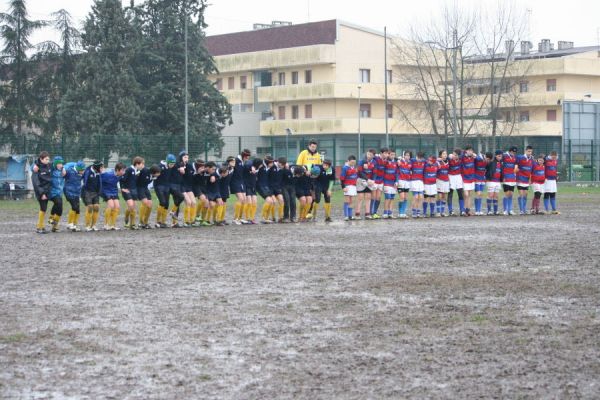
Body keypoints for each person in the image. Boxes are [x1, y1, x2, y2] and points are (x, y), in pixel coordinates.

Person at [100, 162, 126, 230]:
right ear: (117, 170)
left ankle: (113, 225)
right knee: (111, 205)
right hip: (106, 191)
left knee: (117, 206)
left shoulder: (120, 176)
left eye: (124, 170)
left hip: (114, 191)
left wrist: (122, 189)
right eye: (122, 170)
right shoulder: (107, 174)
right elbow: (99, 178)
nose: (124, 172)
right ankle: (106, 224)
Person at [121, 156, 143, 229]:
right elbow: (122, 179)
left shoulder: (137, 171)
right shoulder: (129, 170)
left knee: (133, 207)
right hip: (127, 190)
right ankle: (128, 220)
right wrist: (122, 188)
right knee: (131, 205)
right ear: (137, 164)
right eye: (141, 164)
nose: (142, 165)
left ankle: (132, 224)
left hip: (134, 190)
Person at [63, 160, 86, 232]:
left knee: (78, 209)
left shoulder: (81, 174)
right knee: (74, 206)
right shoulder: (69, 171)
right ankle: (70, 224)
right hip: (68, 191)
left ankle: (74, 225)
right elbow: (62, 174)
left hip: (77, 192)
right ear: (78, 169)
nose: (83, 172)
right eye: (82, 170)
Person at [82, 160, 104, 231]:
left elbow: (99, 183)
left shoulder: (98, 173)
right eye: (101, 168)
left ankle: (93, 225)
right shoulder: (88, 172)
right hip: (87, 192)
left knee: (96, 207)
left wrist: (99, 192)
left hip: (95, 192)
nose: (102, 169)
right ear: (97, 167)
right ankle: (87, 226)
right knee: (90, 207)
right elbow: (84, 183)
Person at [137, 164, 161, 229]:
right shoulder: (144, 171)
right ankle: (140, 222)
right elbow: (136, 174)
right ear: (154, 172)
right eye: (158, 173)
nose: (159, 174)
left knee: (150, 205)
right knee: (145, 203)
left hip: (145, 188)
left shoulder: (153, 176)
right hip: (139, 188)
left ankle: (145, 222)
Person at [231, 150, 251, 225]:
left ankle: (240, 218)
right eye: (246, 157)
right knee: (240, 199)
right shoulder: (236, 160)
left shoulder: (243, 162)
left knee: (244, 200)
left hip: (241, 182)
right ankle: (235, 219)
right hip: (235, 182)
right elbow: (228, 165)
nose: (247, 158)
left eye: (248, 157)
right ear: (243, 156)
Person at [46, 156, 66, 232]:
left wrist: (63, 168)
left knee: (60, 209)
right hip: (52, 191)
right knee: (58, 203)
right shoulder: (51, 169)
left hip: (59, 192)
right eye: (59, 164)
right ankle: (51, 219)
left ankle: (54, 226)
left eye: (61, 163)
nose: (60, 165)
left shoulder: (62, 169)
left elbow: (69, 165)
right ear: (55, 164)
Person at [153, 155, 173, 228]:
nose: (172, 165)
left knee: (167, 204)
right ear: (167, 162)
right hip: (159, 186)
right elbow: (154, 174)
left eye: (173, 164)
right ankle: (157, 221)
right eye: (171, 164)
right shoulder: (160, 166)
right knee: (162, 202)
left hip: (166, 186)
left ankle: (163, 222)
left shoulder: (171, 167)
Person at [515, 145, 534, 215]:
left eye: (531, 152)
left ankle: (524, 209)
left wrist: (530, 178)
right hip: (520, 178)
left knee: (526, 194)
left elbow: (531, 170)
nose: (530, 153)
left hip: (526, 179)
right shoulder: (520, 157)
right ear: (525, 151)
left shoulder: (532, 159)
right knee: (521, 194)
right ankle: (521, 210)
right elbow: (516, 166)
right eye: (528, 151)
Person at [356, 150, 375, 220]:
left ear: (373, 156)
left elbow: (375, 172)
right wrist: (367, 179)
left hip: (369, 181)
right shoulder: (361, 161)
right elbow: (360, 172)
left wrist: (373, 180)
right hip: (361, 180)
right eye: (368, 154)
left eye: (371, 154)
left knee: (368, 197)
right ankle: (357, 214)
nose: (369, 156)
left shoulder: (374, 162)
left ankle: (367, 213)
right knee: (360, 197)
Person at [257, 156, 276, 224]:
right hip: (260, 186)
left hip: (266, 187)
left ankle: (267, 218)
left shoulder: (269, 168)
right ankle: (263, 218)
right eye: (272, 163)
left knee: (273, 201)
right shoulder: (261, 166)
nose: (273, 164)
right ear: (268, 162)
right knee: (269, 201)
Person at [370, 148, 388, 219]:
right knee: (373, 197)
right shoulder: (376, 159)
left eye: (387, 153)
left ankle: (375, 212)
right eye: (385, 153)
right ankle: (371, 213)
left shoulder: (386, 160)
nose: (386, 155)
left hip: (381, 181)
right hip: (374, 181)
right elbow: (370, 156)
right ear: (381, 153)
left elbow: (394, 159)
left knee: (379, 197)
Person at [340, 155, 358, 221]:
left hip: (353, 186)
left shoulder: (354, 167)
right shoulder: (345, 168)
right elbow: (342, 178)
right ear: (348, 161)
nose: (353, 164)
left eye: (354, 162)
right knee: (347, 200)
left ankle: (350, 215)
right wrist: (343, 187)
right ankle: (346, 216)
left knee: (352, 201)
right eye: (352, 162)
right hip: (347, 185)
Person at [243, 158, 261, 224]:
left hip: (253, 187)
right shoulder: (248, 166)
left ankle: (252, 218)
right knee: (249, 203)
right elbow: (247, 164)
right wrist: (251, 167)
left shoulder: (257, 169)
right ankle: (246, 218)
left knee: (255, 203)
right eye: (260, 164)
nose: (260, 166)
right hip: (247, 186)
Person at [502, 146, 518, 215]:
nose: (513, 153)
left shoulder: (514, 157)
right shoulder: (504, 156)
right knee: (507, 193)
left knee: (511, 194)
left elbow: (515, 166)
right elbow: (501, 166)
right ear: (509, 151)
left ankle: (510, 209)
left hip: (512, 177)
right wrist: (502, 176)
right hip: (506, 177)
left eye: (514, 152)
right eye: (512, 152)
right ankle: (505, 209)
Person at [447, 148, 464, 216]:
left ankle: (462, 211)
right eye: (453, 154)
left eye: (455, 155)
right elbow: (443, 158)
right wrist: (449, 156)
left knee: (460, 193)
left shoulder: (461, 159)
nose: (453, 156)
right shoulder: (449, 159)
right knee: (450, 194)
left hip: (458, 177)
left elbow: (465, 153)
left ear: (458, 156)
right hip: (451, 177)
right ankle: (451, 211)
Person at [485, 151, 503, 215]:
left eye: (501, 156)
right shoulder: (491, 162)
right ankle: (489, 211)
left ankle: (495, 211)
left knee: (496, 196)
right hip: (491, 181)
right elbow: (486, 167)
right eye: (499, 156)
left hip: (497, 181)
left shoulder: (501, 163)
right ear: (495, 156)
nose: (500, 157)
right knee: (490, 195)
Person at [268, 157, 285, 223]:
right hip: (270, 187)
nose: (282, 166)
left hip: (277, 188)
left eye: (284, 165)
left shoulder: (282, 169)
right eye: (281, 164)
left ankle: (280, 217)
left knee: (281, 200)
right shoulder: (272, 166)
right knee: (274, 201)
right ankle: (273, 217)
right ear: (278, 162)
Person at [460, 145, 476, 216]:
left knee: (469, 195)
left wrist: (475, 155)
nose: (470, 152)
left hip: (471, 178)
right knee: (465, 194)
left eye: (471, 150)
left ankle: (468, 210)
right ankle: (463, 209)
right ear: (466, 151)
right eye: (469, 150)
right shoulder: (463, 157)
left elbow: (479, 158)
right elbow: (460, 155)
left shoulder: (473, 157)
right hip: (464, 178)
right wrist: (464, 152)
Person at [382, 152, 398, 219]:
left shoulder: (396, 162)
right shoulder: (385, 162)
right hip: (386, 182)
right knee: (387, 198)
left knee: (392, 198)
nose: (392, 156)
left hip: (393, 183)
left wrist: (396, 181)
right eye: (391, 154)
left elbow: (397, 172)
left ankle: (390, 213)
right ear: (388, 155)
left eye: (394, 155)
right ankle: (385, 213)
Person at [280, 158, 296, 223]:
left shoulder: (292, 168)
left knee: (293, 201)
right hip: (284, 187)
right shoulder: (281, 170)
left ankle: (293, 217)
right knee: (286, 200)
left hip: (292, 187)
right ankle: (286, 217)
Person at [410, 152, 426, 218]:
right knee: (416, 197)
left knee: (421, 197)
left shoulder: (424, 161)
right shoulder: (412, 160)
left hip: (421, 181)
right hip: (414, 181)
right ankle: (414, 211)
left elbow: (432, 161)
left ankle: (418, 211)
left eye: (421, 158)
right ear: (416, 156)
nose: (419, 159)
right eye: (418, 157)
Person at [397, 151, 412, 218]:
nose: (407, 157)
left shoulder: (410, 163)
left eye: (409, 155)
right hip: (401, 181)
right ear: (404, 156)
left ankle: (403, 212)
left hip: (407, 182)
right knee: (402, 197)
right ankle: (400, 213)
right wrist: (397, 159)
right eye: (406, 155)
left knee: (405, 198)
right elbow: (392, 158)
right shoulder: (400, 161)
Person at [474, 151, 488, 216]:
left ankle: (479, 210)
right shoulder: (477, 158)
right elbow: (475, 157)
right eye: (487, 158)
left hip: (482, 179)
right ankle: (477, 210)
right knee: (478, 194)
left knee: (481, 194)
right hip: (476, 179)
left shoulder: (486, 161)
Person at [436, 150, 450, 217]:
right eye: (443, 154)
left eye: (446, 154)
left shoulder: (448, 161)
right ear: (440, 155)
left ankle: (442, 211)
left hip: (446, 180)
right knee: (439, 196)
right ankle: (438, 212)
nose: (445, 155)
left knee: (444, 196)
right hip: (439, 180)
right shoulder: (438, 162)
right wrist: (436, 160)